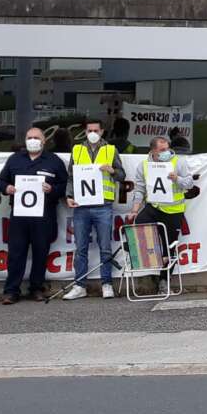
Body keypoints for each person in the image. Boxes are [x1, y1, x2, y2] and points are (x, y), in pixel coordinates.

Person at [0, 127, 67, 304]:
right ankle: (11, 291)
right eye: (29, 137)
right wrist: (7, 188)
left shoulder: (54, 161)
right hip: (19, 216)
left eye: (36, 137)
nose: (33, 140)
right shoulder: (15, 159)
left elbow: (63, 185)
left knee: (40, 253)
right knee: (16, 253)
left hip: (44, 216)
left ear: (44, 141)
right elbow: (2, 181)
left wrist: (52, 189)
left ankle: (36, 288)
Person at [63, 118, 126, 300]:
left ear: (102, 131)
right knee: (80, 248)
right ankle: (79, 285)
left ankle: (107, 283)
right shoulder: (77, 149)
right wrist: (69, 196)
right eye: (89, 130)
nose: (92, 133)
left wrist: (112, 171)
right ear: (85, 131)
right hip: (81, 206)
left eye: (96, 130)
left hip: (103, 206)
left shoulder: (110, 150)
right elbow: (70, 177)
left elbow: (122, 175)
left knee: (105, 247)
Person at [126, 136, 195, 291]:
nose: (167, 152)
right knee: (139, 224)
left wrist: (177, 178)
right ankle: (152, 257)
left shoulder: (178, 161)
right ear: (153, 150)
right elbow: (140, 190)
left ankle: (164, 280)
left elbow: (189, 183)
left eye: (168, 149)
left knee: (170, 246)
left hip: (173, 210)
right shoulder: (144, 165)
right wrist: (134, 210)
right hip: (154, 207)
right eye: (162, 150)